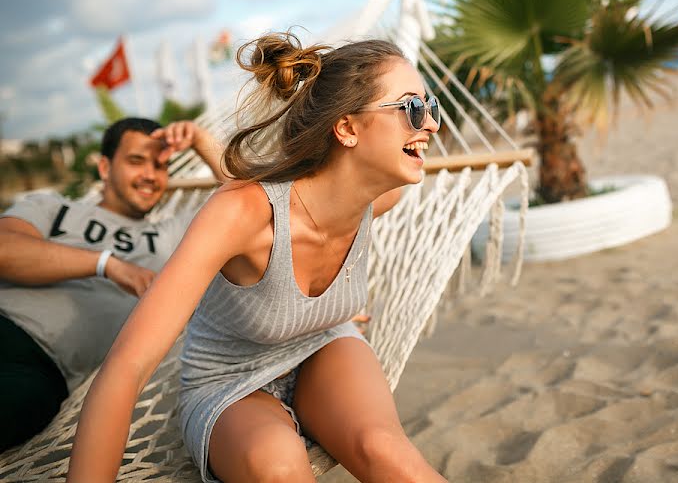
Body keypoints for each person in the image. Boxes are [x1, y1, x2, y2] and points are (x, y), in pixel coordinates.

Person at [67, 34, 447, 483]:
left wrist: (326, 310)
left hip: (322, 347)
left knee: (386, 452)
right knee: (279, 466)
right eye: (412, 109)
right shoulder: (243, 215)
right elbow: (126, 368)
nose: (432, 126)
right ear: (346, 128)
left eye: (432, 106)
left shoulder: (381, 195)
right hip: (230, 381)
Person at [0, 117, 226, 452]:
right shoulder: (53, 208)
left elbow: (249, 197)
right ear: (105, 168)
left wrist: (201, 140)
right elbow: (5, 250)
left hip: (44, 372)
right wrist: (106, 264)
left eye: (161, 165)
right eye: (137, 161)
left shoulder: (170, 237)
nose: (151, 175)